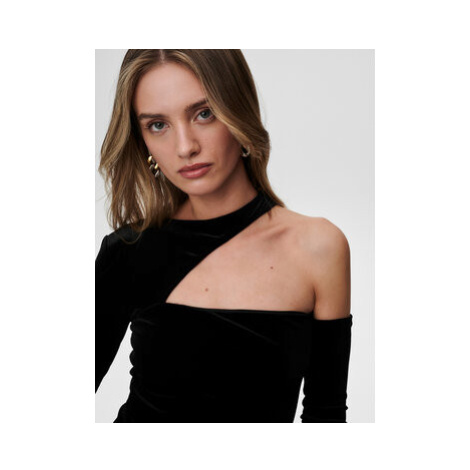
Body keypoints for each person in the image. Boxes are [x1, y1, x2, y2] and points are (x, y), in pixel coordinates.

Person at [96, 49, 353, 423]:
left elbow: (326, 418)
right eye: (158, 125)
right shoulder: (128, 251)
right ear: (143, 141)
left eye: (204, 114)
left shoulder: (318, 248)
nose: (185, 147)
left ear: (238, 112)